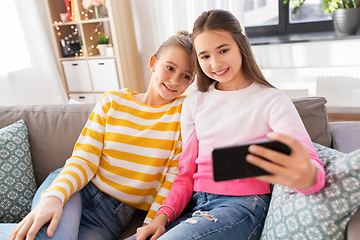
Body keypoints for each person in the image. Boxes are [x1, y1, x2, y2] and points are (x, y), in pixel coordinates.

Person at [133, 9, 325, 240]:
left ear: (240, 45)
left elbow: (310, 162)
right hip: (198, 206)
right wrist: (161, 218)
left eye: (223, 50)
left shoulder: (272, 100)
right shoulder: (195, 102)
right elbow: (186, 175)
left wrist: (307, 177)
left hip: (244, 207)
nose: (215, 63)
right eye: (204, 56)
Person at [8, 30, 195, 240]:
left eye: (186, 76)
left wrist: (149, 225)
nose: (175, 80)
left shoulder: (183, 114)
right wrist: (55, 196)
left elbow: (171, 179)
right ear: (153, 63)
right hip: (74, 189)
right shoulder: (112, 102)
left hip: (112, 216)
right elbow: (84, 157)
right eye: (169, 68)